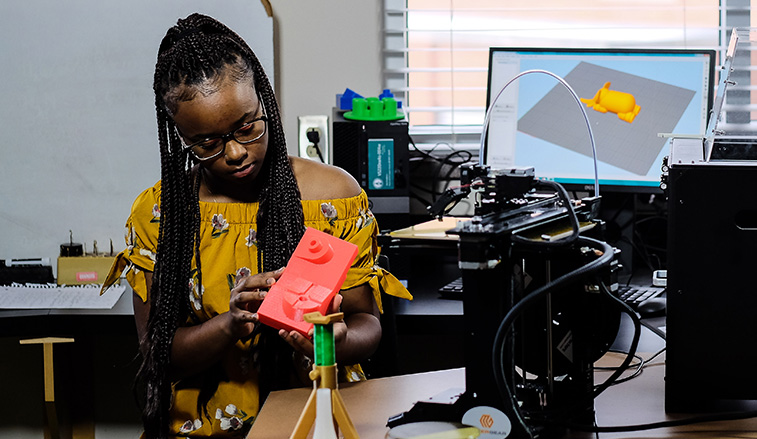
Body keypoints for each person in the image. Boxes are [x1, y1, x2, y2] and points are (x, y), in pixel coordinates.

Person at [101, 12, 411, 438]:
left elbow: (367, 324)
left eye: (247, 127)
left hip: (317, 421)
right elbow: (159, 354)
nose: (234, 153)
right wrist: (229, 324)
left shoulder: (333, 197)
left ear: (265, 100)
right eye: (207, 143)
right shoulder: (159, 213)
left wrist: (335, 341)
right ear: (181, 137)